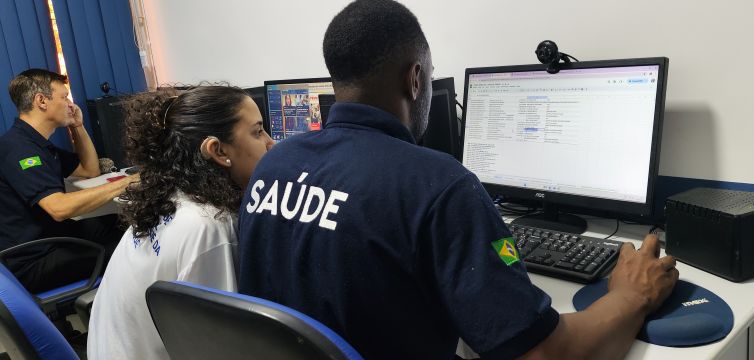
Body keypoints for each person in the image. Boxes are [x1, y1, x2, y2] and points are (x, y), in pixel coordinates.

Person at [238, 1, 678, 359]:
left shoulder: (274, 165)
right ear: (415, 79)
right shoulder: (437, 185)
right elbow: (545, 354)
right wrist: (631, 294)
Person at [87, 86, 275, 360]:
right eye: (258, 132)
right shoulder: (209, 226)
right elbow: (221, 348)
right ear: (218, 150)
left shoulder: (168, 199)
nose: (271, 143)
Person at [0, 69, 137, 293]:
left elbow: (89, 170)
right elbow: (59, 208)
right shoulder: (20, 151)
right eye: (64, 97)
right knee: (136, 247)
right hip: (34, 261)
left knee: (125, 222)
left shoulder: (36, 143)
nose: (70, 104)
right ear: (41, 101)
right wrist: (126, 182)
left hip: (54, 238)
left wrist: (78, 126)